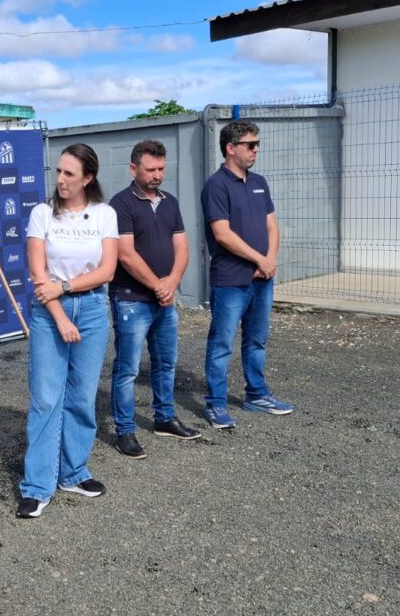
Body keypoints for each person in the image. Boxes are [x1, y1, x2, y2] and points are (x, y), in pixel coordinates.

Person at [17, 143, 118, 518]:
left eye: (69, 174)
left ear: (88, 178)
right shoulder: (42, 214)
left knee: (81, 396)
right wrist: (60, 315)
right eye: (58, 172)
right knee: (46, 397)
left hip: (91, 308)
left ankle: (73, 472)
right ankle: (38, 485)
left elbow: (107, 270)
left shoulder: (104, 215)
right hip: (49, 312)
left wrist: (66, 288)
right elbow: (39, 275)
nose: (60, 180)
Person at [200, 120, 296, 430]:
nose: (256, 150)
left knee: (257, 341)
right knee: (222, 343)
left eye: (257, 144)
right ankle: (215, 403)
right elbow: (223, 234)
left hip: (261, 279)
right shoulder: (216, 186)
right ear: (230, 148)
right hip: (231, 280)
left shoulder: (260, 182)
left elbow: (272, 224)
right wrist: (259, 258)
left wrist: (269, 261)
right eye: (250, 145)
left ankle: (256, 395)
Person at [108, 139, 200, 459]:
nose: (157, 175)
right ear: (134, 169)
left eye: (161, 169)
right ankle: (124, 430)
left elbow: (183, 248)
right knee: (128, 369)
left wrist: (172, 282)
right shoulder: (120, 204)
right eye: (150, 169)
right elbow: (125, 254)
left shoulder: (170, 202)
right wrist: (158, 286)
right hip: (132, 301)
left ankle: (164, 417)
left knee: (165, 363)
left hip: (164, 301)